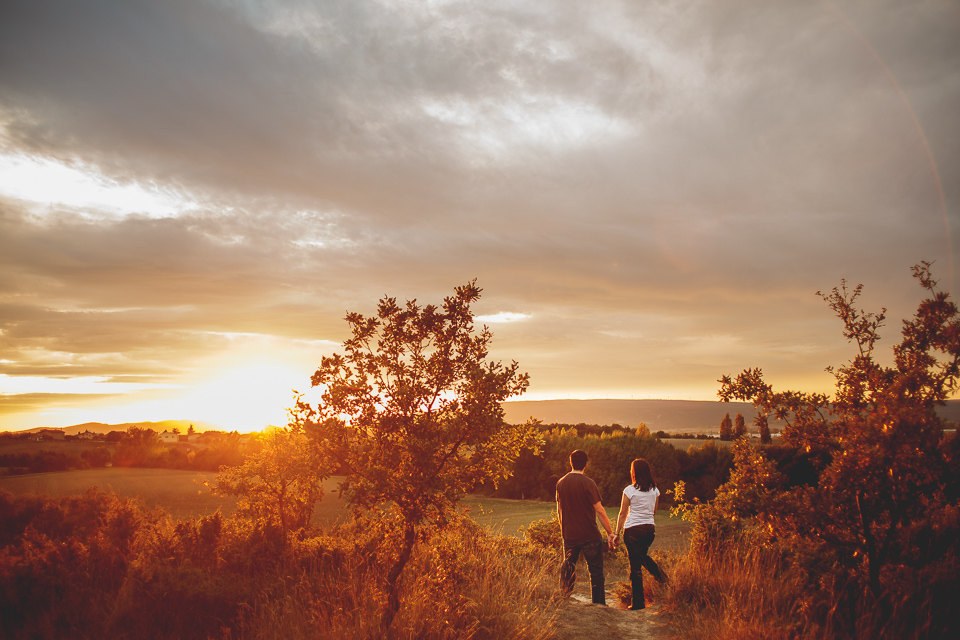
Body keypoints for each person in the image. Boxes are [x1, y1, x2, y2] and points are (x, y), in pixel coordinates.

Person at [556, 449, 616, 605]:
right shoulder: (589, 483)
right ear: (586, 465)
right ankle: (599, 604)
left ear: (571, 463)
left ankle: (565, 599)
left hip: (569, 535)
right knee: (596, 572)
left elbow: (559, 510)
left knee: (568, 568)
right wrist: (610, 532)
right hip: (590, 535)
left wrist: (564, 529)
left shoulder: (561, 482)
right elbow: (600, 510)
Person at [613, 458, 667, 611]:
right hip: (649, 530)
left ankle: (638, 603)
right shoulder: (655, 490)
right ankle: (663, 578)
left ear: (633, 472)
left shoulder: (629, 490)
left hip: (632, 531)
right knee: (642, 557)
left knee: (635, 566)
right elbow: (654, 511)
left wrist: (616, 533)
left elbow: (623, 513)